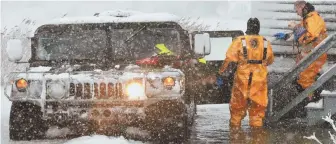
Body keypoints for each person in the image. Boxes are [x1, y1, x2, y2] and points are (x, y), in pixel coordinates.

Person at [218, 18, 274, 143]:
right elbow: (270, 60)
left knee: (237, 110)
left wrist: (221, 73)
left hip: (242, 80)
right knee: (257, 112)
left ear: (248, 27)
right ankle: (257, 138)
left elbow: (229, 59)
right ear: (258, 28)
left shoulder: (240, 41)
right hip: (259, 80)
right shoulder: (265, 42)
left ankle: (235, 137)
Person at [273, 0, 327, 105]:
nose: (296, 12)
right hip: (310, 54)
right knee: (303, 79)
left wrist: (296, 28)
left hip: (315, 55)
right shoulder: (307, 19)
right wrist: (287, 36)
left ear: (303, 7)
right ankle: (310, 101)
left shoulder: (313, 18)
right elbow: (300, 33)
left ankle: (312, 102)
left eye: (296, 9)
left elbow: (309, 36)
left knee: (305, 80)